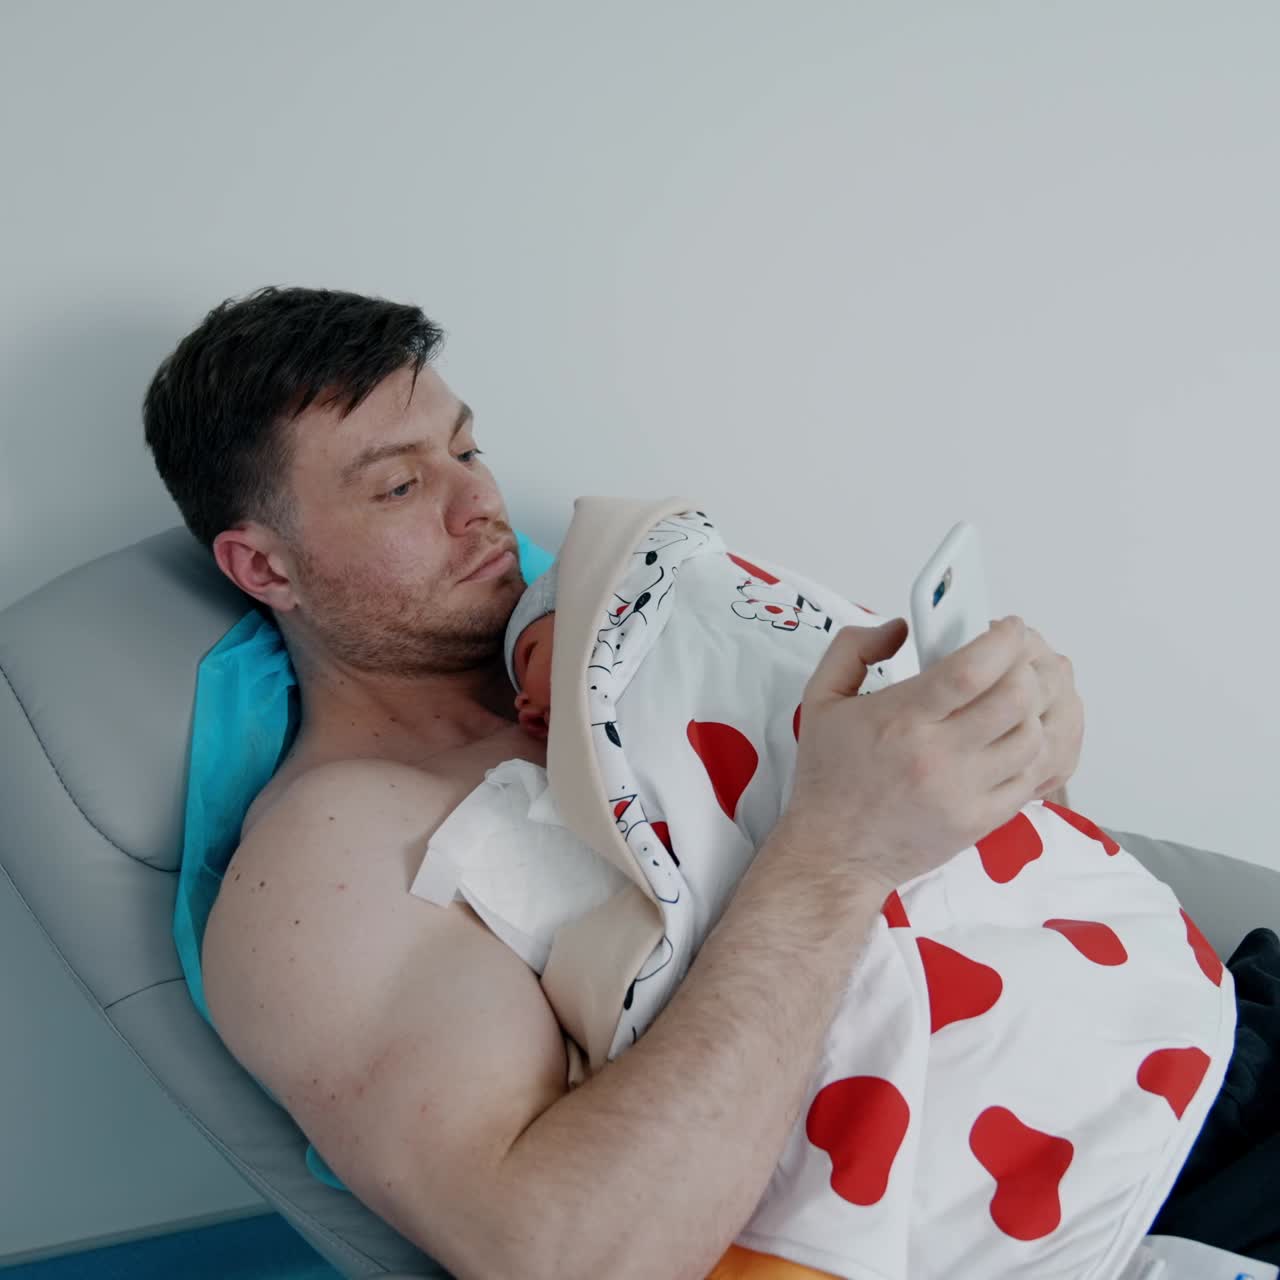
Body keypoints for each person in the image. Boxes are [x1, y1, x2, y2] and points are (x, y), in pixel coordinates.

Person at [139, 285, 1259, 1278]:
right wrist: (838, 849)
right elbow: (562, 1250)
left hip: (1210, 1022)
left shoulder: (622, 633)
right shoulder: (334, 859)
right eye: (396, 485)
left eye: (464, 450)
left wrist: (1018, 749)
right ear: (262, 564)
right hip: (1124, 1202)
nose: (472, 501)